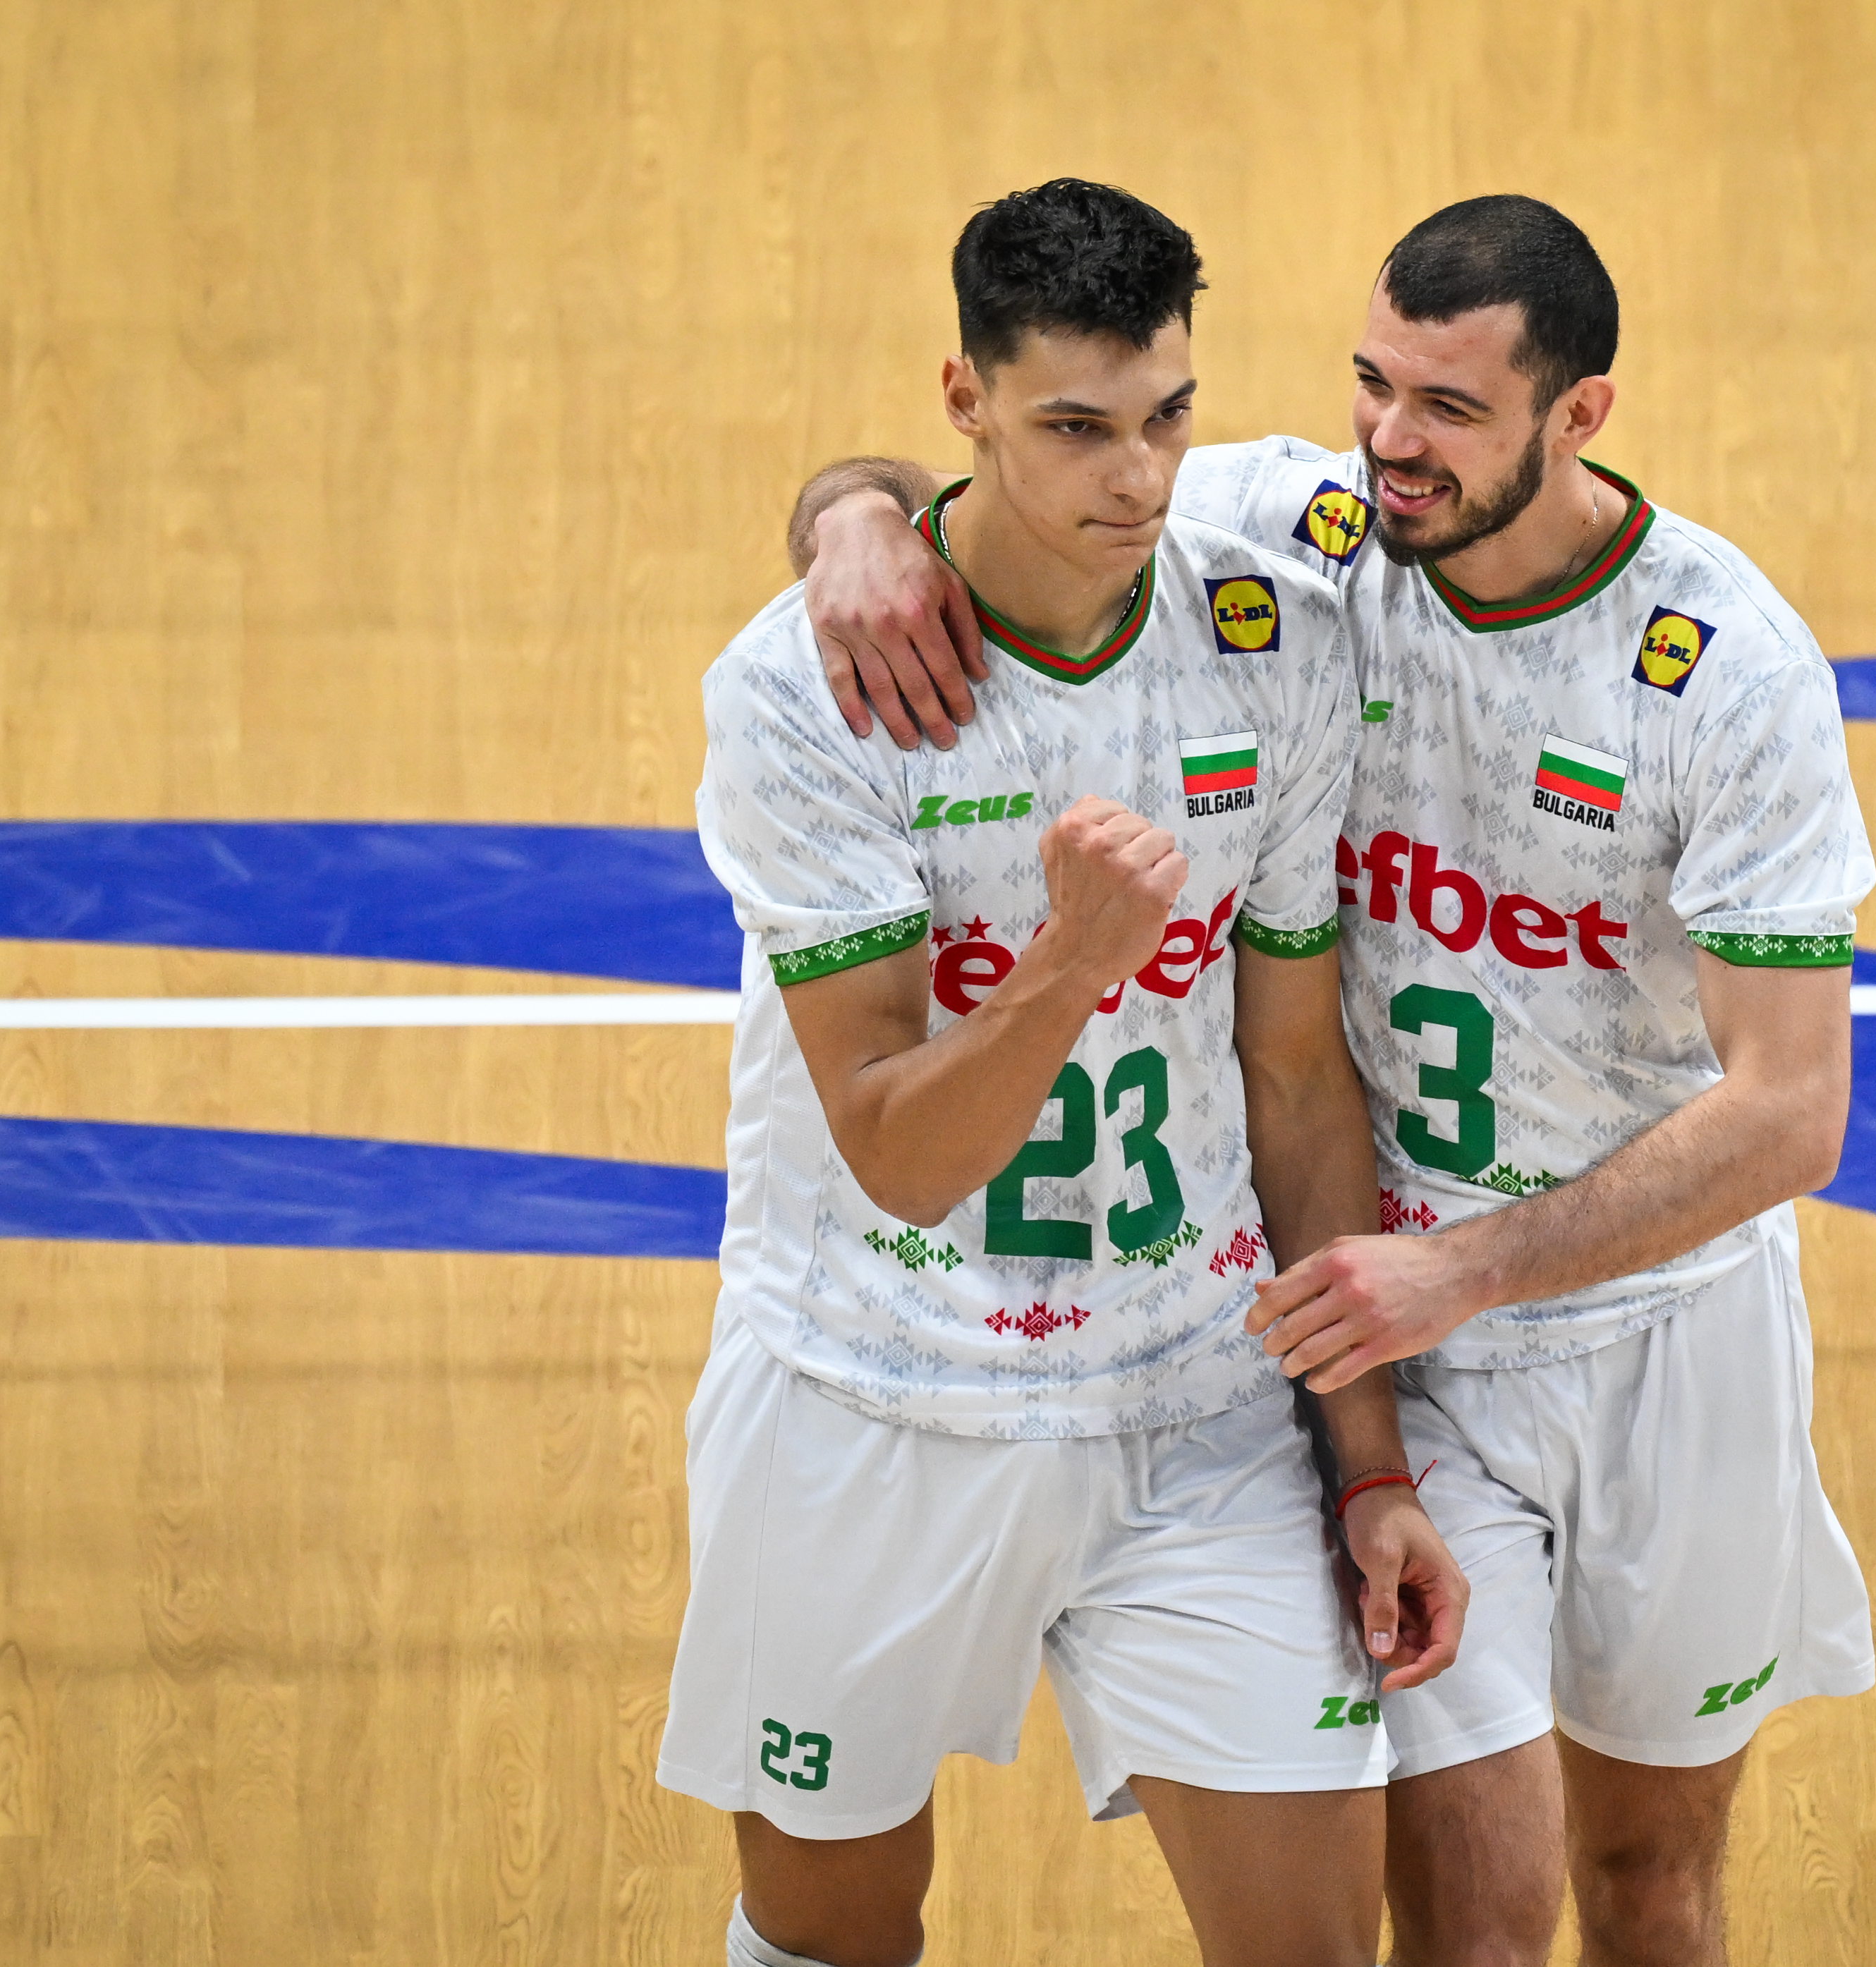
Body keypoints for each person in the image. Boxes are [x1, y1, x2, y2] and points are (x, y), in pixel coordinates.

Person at [789, 194, 1875, 1967]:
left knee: (1653, 1888)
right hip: (1405, 1350)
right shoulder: (1293, 531)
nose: (1389, 443)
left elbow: (1790, 1111)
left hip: (1660, 1335)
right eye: (1371, 385)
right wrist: (850, 524)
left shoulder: (1726, 672)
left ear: (1578, 416)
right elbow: (990, 470)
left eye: (1447, 408)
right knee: (1471, 1929)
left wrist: (1474, 1263)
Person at [666, 179, 1470, 1967]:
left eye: (1169, 415)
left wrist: (1366, 1462)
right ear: (963, 399)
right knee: (830, 1939)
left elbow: (1298, 1088)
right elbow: (893, 1151)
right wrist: (1073, 967)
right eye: (1075, 429)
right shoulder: (805, 693)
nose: (1140, 479)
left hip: (1189, 1409)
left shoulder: (1275, 635)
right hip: (870, 1405)